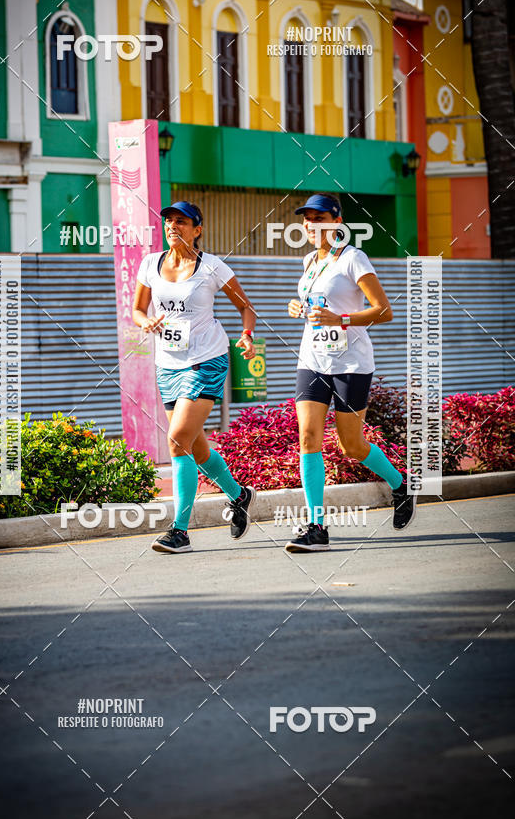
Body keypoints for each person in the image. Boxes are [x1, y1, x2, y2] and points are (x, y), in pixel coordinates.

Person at [285, 192, 417, 552]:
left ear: (337, 222)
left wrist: (339, 319)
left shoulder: (353, 258)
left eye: (320, 218)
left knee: (350, 445)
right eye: (307, 219)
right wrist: (298, 307)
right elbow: (318, 305)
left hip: (351, 363)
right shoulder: (310, 260)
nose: (312, 225)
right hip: (312, 360)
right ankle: (316, 527)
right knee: (308, 437)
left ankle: (400, 485)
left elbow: (383, 310)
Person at [132, 201, 258, 554]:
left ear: (197, 229)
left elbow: (245, 307)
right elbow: (138, 309)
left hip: (206, 360)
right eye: (169, 221)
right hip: (167, 364)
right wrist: (146, 323)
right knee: (195, 445)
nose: (173, 226)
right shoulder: (150, 264)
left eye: (182, 222)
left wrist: (246, 337)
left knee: (177, 440)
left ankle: (180, 530)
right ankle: (239, 495)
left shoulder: (211, 267)